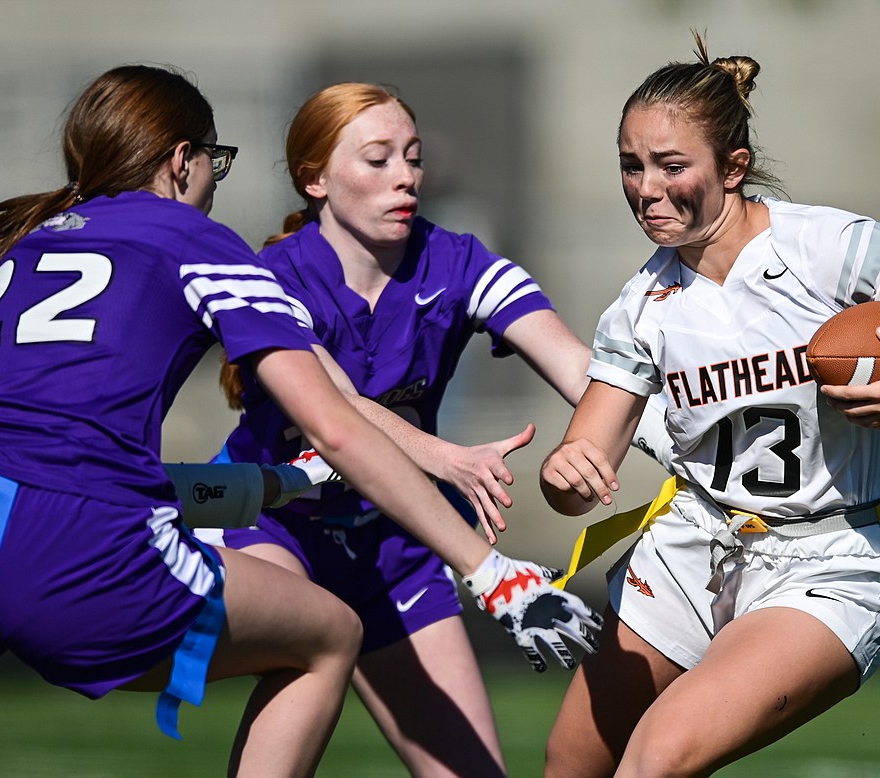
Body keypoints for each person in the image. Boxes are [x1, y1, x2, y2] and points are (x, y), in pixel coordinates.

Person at [0, 64, 598, 778]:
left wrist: (270, 484)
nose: (406, 177)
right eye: (215, 160)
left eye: (413, 156)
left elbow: (45, 457)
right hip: (85, 540)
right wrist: (489, 568)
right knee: (330, 632)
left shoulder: (34, 241)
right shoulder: (209, 242)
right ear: (184, 161)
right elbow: (336, 423)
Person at [538, 33, 880, 777]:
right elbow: (581, 464)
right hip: (693, 547)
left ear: (733, 168)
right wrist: (565, 473)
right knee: (572, 763)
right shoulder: (640, 305)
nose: (646, 187)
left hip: (828, 557)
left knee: (657, 757)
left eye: (672, 166)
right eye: (630, 165)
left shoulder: (827, 247)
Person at [199, 82, 669, 778]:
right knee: (313, 638)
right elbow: (337, 408)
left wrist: (693, 442)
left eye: (412, 158)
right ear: (315, 178)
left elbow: (581, 370)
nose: (405, 177)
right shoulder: (271, 277)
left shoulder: (456, 261)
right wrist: (445, 459)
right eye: (378, 159)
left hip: (396, 546)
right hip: (278, 532)